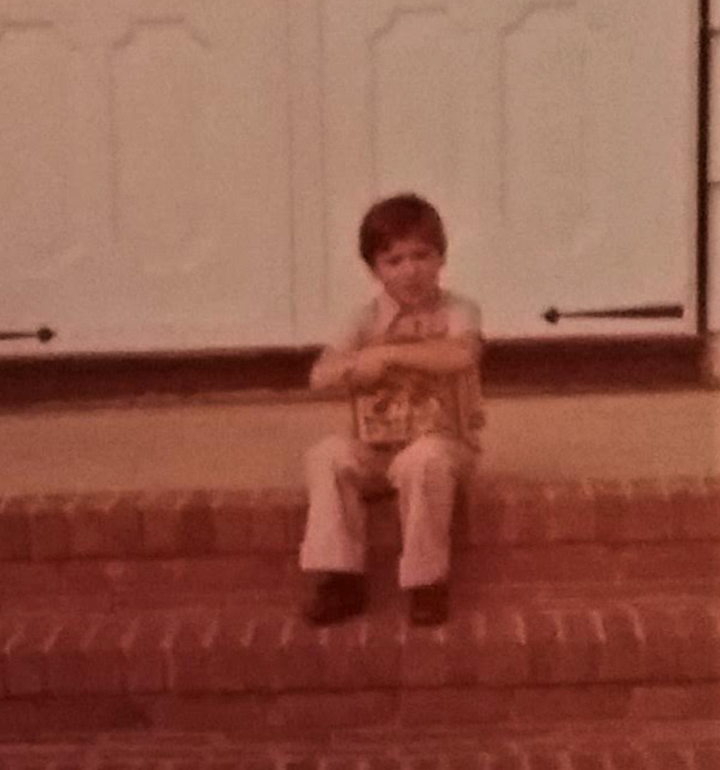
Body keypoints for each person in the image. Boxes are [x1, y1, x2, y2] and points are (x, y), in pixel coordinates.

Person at [300, 193, 484, 626]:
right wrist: (354, 366)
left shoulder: (458, 311)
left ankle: (426, 582)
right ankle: (341, 577)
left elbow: (462, 356)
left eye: (421, 255)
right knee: (327, 455)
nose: (410, 270)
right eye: (394, 260)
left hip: (444, 440)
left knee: (423, 461)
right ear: (375, 269)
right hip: (379, 445)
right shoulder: (364, 319)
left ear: (441, 258)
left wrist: (391, 357)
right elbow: (319, 375)